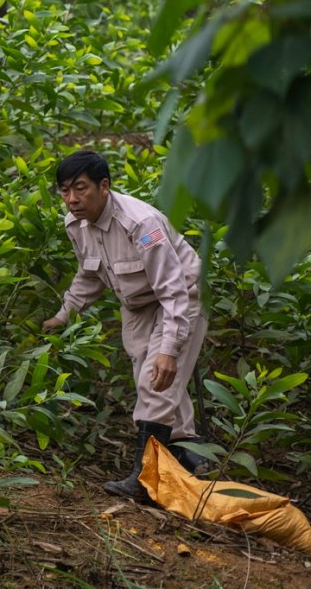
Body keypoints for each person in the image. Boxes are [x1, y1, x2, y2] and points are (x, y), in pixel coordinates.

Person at [41, 151, 209, 499]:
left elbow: (173, 288)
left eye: (80, 188)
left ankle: (145, 479)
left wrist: (169, 348)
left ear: (104, 186)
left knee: (157, 380)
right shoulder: (76, 224)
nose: (72, 199)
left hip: (178, 299)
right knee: (154, 382)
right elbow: (89, 274)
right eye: (64, 190)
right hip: (136, 306)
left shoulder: (141, 224)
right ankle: (186, 460)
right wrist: (64, 314)